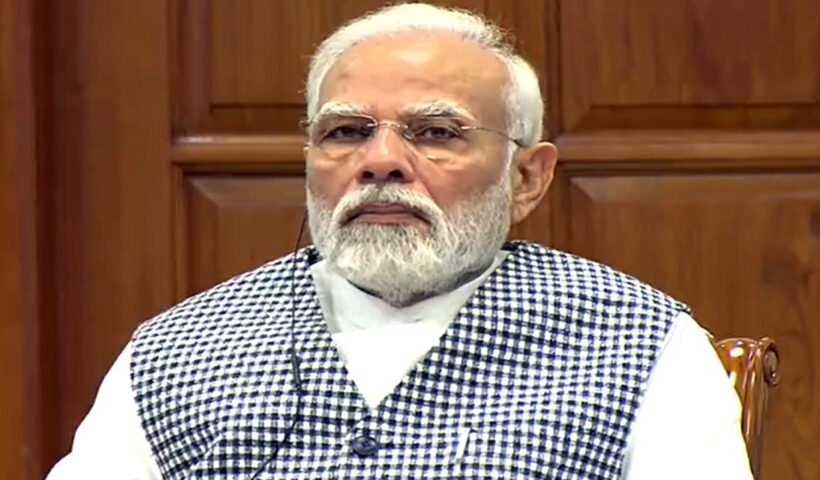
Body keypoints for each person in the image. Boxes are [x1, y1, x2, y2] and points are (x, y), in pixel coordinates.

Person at [47, 3, 752, 479]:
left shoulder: (638, 341)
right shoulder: (179, 349)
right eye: (346, 132)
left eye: (435, 132)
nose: (379, 161)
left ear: (528, 178)